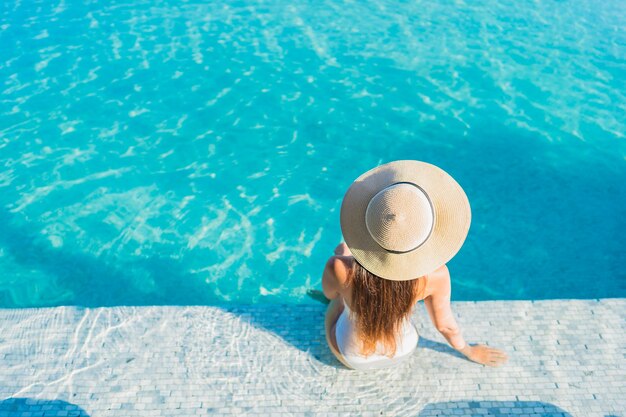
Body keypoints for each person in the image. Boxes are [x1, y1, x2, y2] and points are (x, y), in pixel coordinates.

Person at [322, 160, 508, 370]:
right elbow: (445, 325)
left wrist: (344, 254)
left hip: (351, 356)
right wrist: (469, 351)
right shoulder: (436, 276)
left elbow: (329, 294)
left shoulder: (338, 267)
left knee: (335, 301)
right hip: (403, 350)